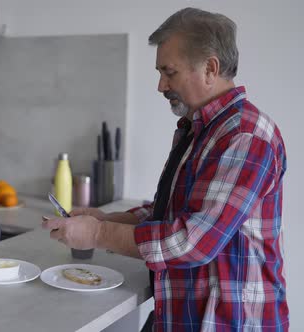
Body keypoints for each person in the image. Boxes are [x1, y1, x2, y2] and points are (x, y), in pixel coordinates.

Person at [42, 7, 289, 331]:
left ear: (210, 68)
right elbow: (175, 213)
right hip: (180, 316)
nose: (160, 85)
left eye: (169, 72)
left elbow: (193, 240)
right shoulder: (200, 129)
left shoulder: (244, 136)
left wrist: (98, 234)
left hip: (229, 322)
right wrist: (105, 218)